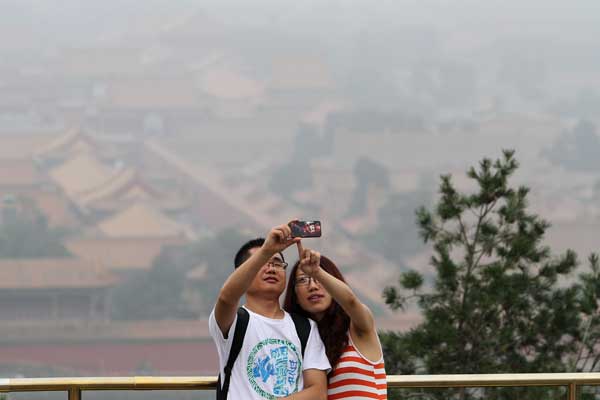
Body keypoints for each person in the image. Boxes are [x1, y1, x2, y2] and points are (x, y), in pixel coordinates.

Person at [209, 222, 331, 400]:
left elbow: (318, 392)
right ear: (244, 272)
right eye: (262, 263)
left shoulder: (304, 327)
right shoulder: (234, 321)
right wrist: (266, 250)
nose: (271, 268)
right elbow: (226, 297)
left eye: (277, 263)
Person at [284, 243, 387, 400]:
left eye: (319, 279)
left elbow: (351, 301)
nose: (313, 286)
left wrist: (316, 271)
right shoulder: (299, 341)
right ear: (294, 294)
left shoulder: (357, 327)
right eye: (303, 280)